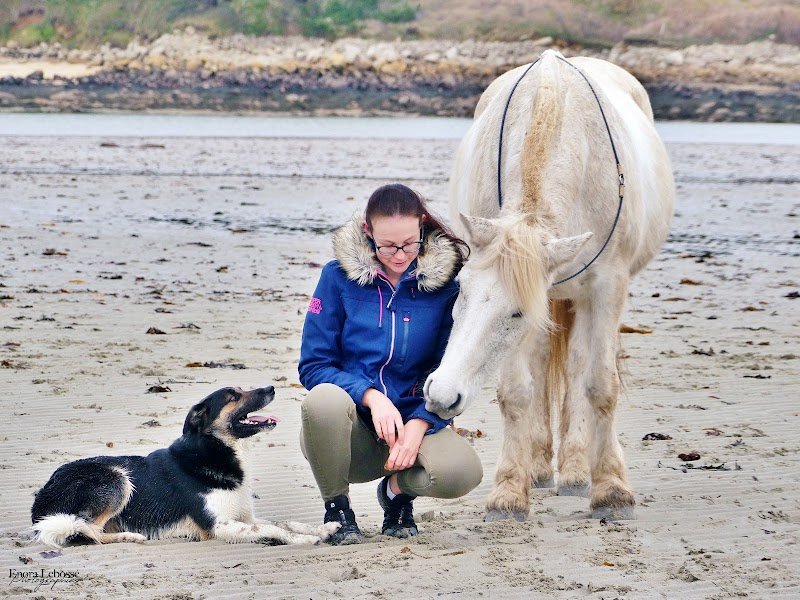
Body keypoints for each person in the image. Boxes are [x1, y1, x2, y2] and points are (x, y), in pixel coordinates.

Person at [298, 183, 483, 545]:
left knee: (462, 473)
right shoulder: (336, 277)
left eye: (409, 244)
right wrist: (370, 396)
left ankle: (397, 496)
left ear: (423, 227)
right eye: (387, 246)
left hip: (414, 428)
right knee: (321, 401)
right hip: (351, 436)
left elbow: (455, 371)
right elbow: (313, 365)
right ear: (368, 232)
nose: (399, 255)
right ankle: (337, 508)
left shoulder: (450, 285)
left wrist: (419, 423)